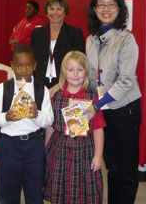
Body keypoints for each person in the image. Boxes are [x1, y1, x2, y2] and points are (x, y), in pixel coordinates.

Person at [85, 0, 142, 204]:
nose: (106, 9)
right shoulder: (91, 39)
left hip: (124, 109)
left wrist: (98, 105)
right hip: (101, 108)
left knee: (126, 168)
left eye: (111, 4)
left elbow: (125, 80)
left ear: (119, 9)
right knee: (112, 164)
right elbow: (90, 77)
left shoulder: (126, 39)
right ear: (94, 9)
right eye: (101, 4)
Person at [0, 45, 54, 204]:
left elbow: (49, 119)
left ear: (35, 66)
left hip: (34, 144)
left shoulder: (41, 90)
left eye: (29, 65)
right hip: (9, 144)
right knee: (8, 188)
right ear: (11, 65)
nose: (24, 70)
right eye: (19, 65)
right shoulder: (3, 89)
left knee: (35, 186)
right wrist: (7, 117)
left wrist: (36, 115)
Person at [44, 51, 106, 204]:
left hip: (85, 151)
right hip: (60, 151)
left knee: (83, 192)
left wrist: (98, 156)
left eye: (80, 69)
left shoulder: (93, 98)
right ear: (64, 72)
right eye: (71, 70)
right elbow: (50, 126)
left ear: (86, 72)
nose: (75, 74)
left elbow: (98, 129)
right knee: (60, 190)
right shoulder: (56, 96)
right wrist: (45, 148)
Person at [30, 0, 85, 91]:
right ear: (47, 12)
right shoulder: (37, 33)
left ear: (65, 12)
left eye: (59, 8)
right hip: (39, 83)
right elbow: (32, 60)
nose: (55, 12)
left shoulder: (75, 33)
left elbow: (80, 63)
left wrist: (61, 84)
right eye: (51, 8)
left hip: (66, 84)